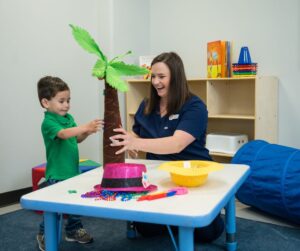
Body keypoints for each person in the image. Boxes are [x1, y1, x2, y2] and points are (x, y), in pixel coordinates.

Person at [110, 52, 224, 242]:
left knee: (207, 233)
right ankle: (173, 216)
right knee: (146, 228)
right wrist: (129, 139)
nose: (155, 82)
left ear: (176, 77)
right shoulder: (146, 105)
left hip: (191, 176)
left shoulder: (195, 106)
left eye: (161, 77)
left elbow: (176, 144)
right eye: (153, 76)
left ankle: (194, 214)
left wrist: (135, 142)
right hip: (158, 175)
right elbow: (138, 135)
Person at [36, 76, 103, 251]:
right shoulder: (48, 122)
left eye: (68, 100)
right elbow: (64, 134)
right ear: (45, 102)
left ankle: (73, 230)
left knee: (75, 204)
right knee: (54, 208)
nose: (66, 105)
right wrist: (84, 126)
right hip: (56, 175)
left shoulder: (69, 117)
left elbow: (77, 138)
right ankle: (44, 233)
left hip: (72, 172)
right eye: (61, 101)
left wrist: (87, 132)